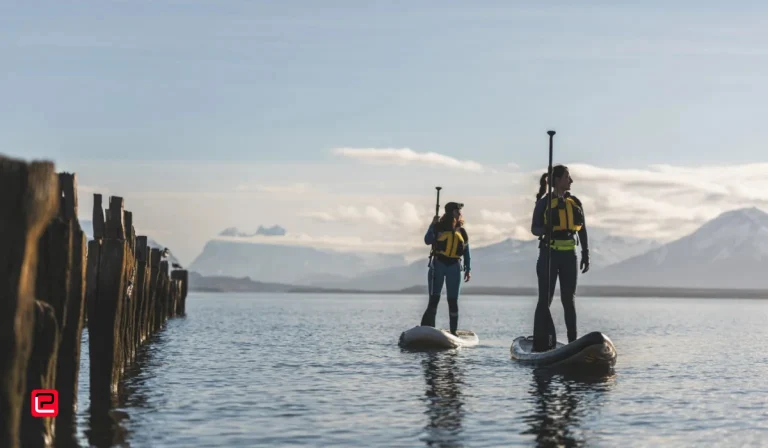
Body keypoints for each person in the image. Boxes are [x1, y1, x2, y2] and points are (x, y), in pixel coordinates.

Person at [530, 164, 590, 352]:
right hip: (549, 254)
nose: (571, 181)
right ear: (557, 180)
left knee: (568, 300)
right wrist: (545, 230)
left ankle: (573, 342)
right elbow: (534, 228)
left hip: (569, 256)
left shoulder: (575, 203)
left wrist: (585, 254)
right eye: (567, 177)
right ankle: (540, 341)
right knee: (545, 300)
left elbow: (583, 230)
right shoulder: (544, 203)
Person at [421, 201, 472, 335]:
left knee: (452, 301)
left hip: (454, 267)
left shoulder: (462, 231)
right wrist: (432, 224)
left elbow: (466, 250)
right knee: (434, 299)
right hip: (438, 264)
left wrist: (468, 269)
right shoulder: (438, 227)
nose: (460, 213)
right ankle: (428, 329)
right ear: (451, 212)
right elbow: (427, 240)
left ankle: (453, 332)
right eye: (457, 211)